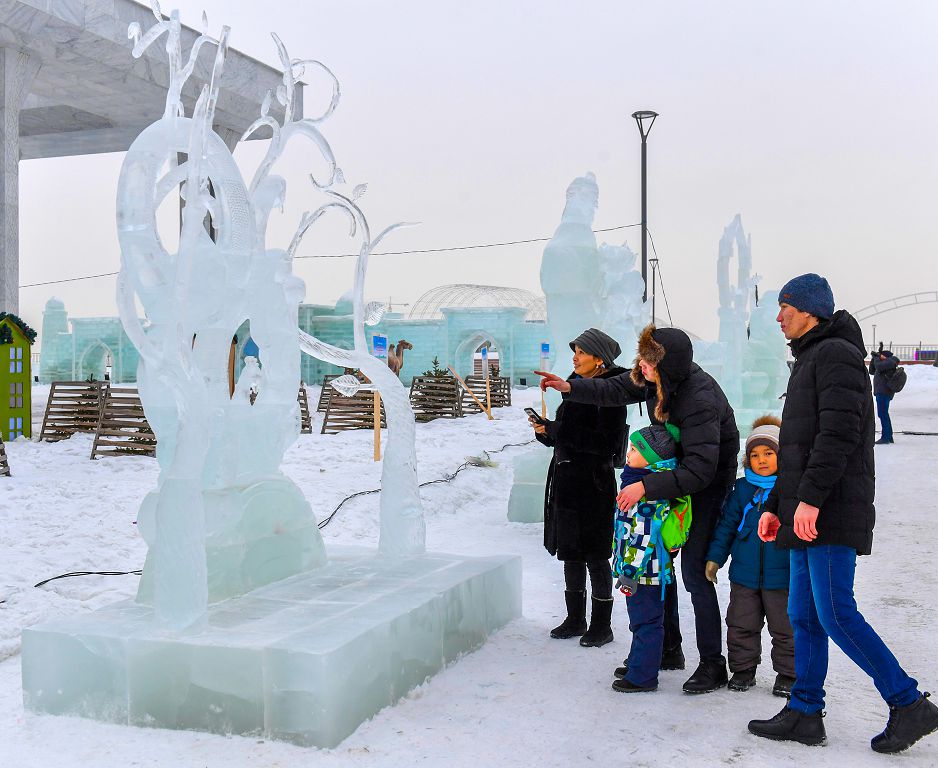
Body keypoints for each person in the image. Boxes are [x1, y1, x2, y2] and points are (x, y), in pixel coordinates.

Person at [748, 273, 938, 753]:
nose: (778, 316)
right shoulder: (810, 358)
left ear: (809, 310)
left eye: (785, 307)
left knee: (834, 613)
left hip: (829, 508)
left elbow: (838, 436)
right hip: (801, 509)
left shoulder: (836, 356)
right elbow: (796, 447)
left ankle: (908, 701)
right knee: (803, 614)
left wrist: (808, 500)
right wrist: (776, 504)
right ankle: (805, 712)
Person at [537, 324, 739, 694]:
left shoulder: (699, 398)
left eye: (648, 361)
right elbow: (614, 388)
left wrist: (645, 486)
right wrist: (570, 387)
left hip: (706, 483)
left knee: (695, 572)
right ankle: (668, 648)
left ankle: (713, 663)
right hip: (670, 474)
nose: (640, 367)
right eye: (642, 358)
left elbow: (700, 469)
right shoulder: (652, 377)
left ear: (667, 364)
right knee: (660, 563)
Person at [530, 328, 629, 648]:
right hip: (567, 481)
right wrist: (546, 432)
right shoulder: (575, 388)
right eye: (576, 350)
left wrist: (558, 429)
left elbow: (605, 443)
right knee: (570, 552)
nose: (576, 356)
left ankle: (602, 625)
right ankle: (575, 619)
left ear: (600, 359)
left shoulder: (611, 395)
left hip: (594, 484)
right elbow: (568, 433)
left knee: (596, 555)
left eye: (583, 352)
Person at [705, 415, 795, 698]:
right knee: (741, 622)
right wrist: (715, 558)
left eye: (769, 453)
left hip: (783, 575)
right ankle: (743, 668)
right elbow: (727, 526)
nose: (762, 460)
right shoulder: (742, 489)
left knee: (786, 627)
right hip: (744, 573)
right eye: (755, 455)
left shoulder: (789, 491)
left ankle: (789, 674)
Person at [610, 425, 686, 692]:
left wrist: (628, 571)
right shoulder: (640, 484)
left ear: (653, 458)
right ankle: (639, 662)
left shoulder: (645, 496)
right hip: (647, 569)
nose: (627, 453)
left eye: (634, 449)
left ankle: (642, 676)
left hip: (644, 571)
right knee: (644, 619)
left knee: (646, 621)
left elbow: (642, 536)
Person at [869, 347, 898, 444]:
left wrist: (877, 358)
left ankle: (886, 437)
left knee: (883, 414)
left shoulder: (891, 361)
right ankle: (889, 436)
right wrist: (874, 358)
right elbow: (872, 371)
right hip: (881, 391)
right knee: (883, 414)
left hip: (884, 392)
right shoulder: (883, 363)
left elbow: (879, 367)